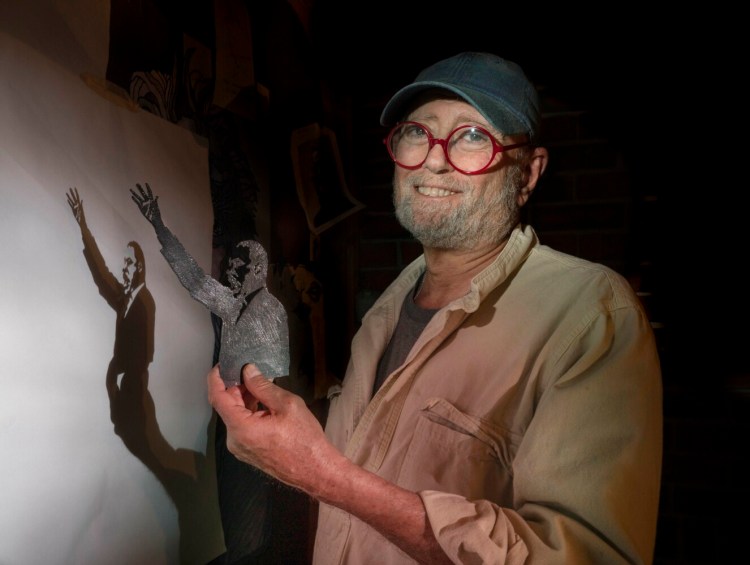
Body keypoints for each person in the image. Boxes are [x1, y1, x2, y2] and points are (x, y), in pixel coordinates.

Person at [207, 52, 663, 564]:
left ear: (529, 174)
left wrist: (320, 472)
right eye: (418, 133)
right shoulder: (385, 310)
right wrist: (286, 446)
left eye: (472, 137)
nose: (434, 159)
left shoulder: (592, 315)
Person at [131, 182, 290, 564]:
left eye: (235, 267)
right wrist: (158, 225)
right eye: (227, 265)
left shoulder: (266, 310)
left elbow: (269, 384)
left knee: (244, 536)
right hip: (228, 428)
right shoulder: (234, 304)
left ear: (256, 272)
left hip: (253, 433)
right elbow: (196, 280)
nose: (227, 272)